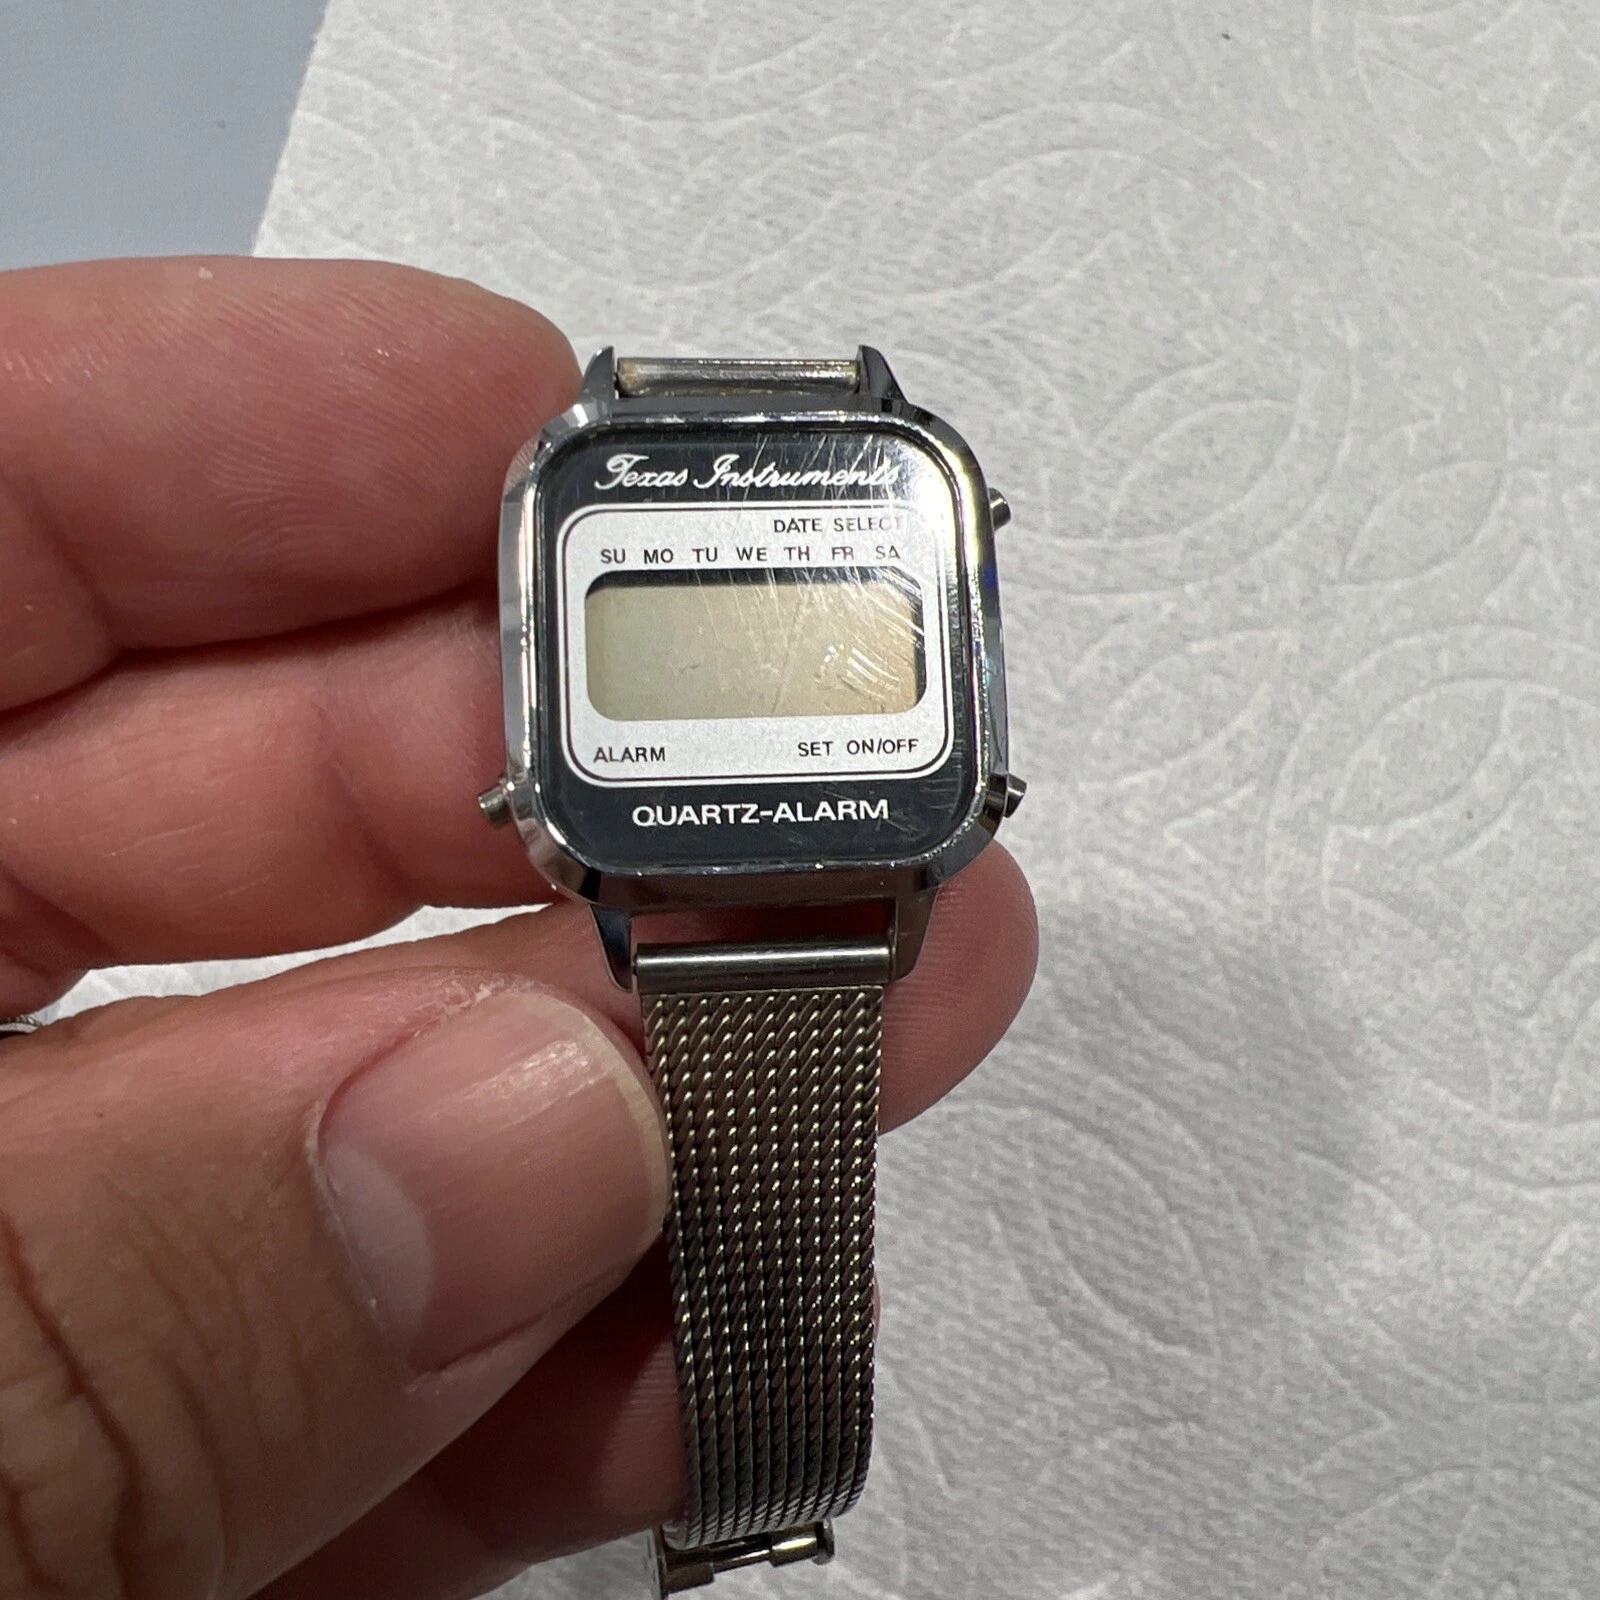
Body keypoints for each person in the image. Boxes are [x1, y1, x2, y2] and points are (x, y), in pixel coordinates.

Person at [0, 256, 1038, 1600]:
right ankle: (757, 1505)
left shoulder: (641, 487)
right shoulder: (630, 482)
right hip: (782, 881)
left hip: (820, 879)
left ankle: (761, 1502)